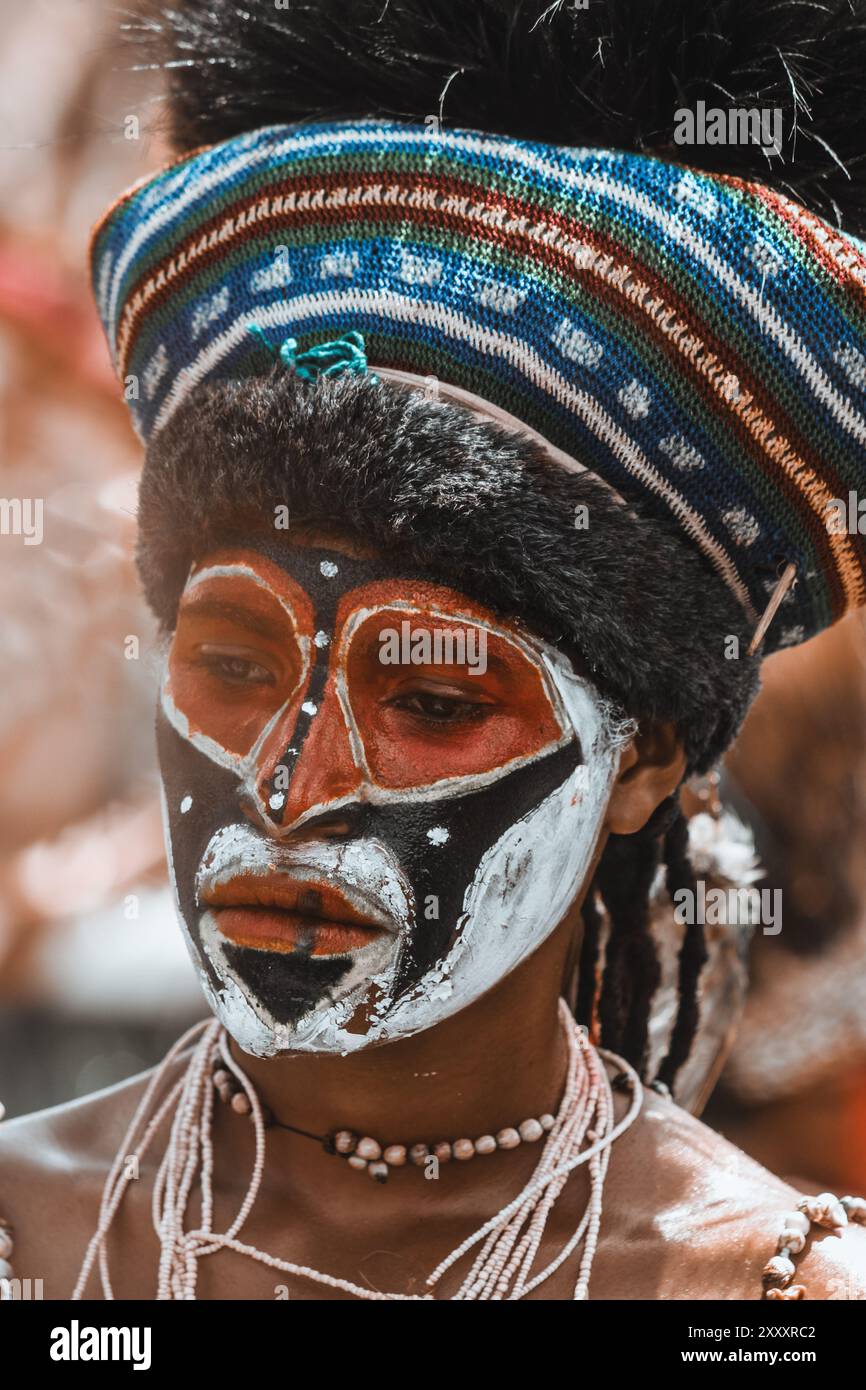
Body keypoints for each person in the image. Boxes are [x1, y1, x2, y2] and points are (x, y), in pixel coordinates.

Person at [2, 0, 866, 1301]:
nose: (289, 790)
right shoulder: (30, 1241)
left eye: (430, 694)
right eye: (233, 669)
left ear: (642, 754)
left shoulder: (767, 1298)